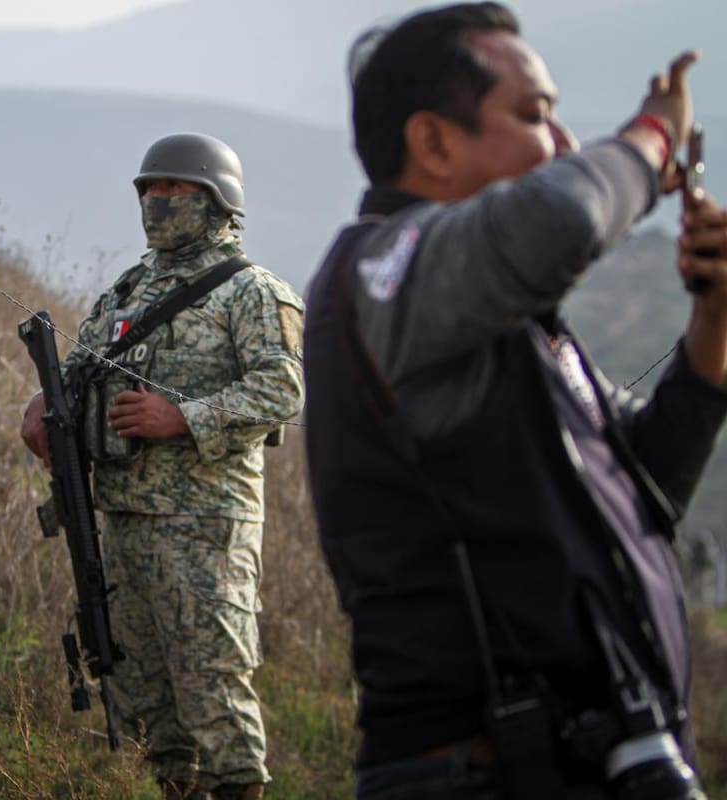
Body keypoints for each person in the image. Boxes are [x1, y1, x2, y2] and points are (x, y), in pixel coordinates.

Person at [302, 3, 727, 798]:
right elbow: (560, 216)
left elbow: (653, 484)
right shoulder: (384, 274)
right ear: (431, 141)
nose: (564, 144)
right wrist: (653, 137)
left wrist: (713, 319)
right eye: (535, 114)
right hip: (479, 771)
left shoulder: (506, 328)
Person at [21, 132, 305, 800]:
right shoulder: (130, 289)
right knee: (142, 688)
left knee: (212, 682)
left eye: (173, 190)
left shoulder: (252, 293)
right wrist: (41, 401)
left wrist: (183, 416)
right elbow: (80, 366)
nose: (156, 202)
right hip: (120, 519)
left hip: (204, 525)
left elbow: (283, 390)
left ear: (214, 200)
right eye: (148, 190)